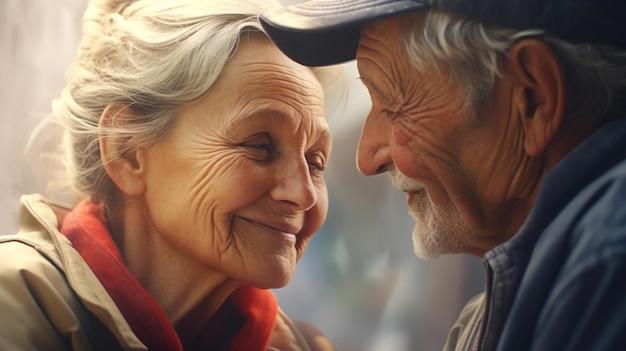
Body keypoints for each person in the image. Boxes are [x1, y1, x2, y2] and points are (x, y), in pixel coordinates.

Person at [259, 0, 626, 350]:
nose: (366, 159)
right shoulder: (509, 300)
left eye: (392, 103)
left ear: (533, 98)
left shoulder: (605, 269)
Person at [0, 0, 341, 350]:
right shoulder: (16, 306)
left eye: (315, 162)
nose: (303, 194)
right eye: (259, 146)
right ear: (127, 151)